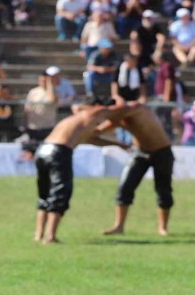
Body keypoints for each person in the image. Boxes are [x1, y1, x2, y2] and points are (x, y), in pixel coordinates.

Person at [34, 103, 129, 244]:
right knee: (60, 193)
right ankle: (49, 236)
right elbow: (106, 110)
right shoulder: (92, 113)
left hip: (43, 150)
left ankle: (38, 234)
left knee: (45, 194)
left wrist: (117, 144)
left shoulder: (77, 120)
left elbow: (91, 139)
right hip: (59, 152)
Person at [94, 104, 175, 235]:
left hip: (162, 152)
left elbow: (123, 111)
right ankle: (119, 226)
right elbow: (98, 130)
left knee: (163, 190)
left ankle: (163, 228)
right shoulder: (118, 118)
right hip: (140, 153)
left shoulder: (135, 108)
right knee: (125, 187)